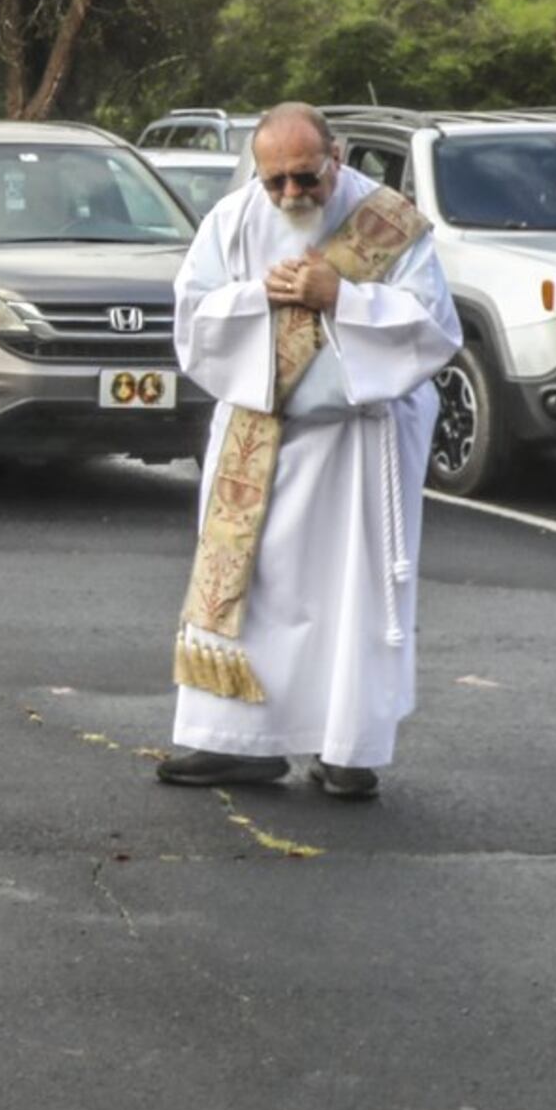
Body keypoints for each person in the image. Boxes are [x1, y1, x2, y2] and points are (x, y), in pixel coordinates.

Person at [157, 103, 461, 801]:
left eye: (307, 177)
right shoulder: (231, 220)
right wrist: (255, 300)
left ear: (339, 156)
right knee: (252, 592)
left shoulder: (389, 223)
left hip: (360, 441)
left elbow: (434, 329)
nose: (291, 195)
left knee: (349, 593)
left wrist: (342, 298)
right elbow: (194, 316)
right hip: (260, 435)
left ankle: (349, 749)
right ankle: (237, 744)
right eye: (277, 183)